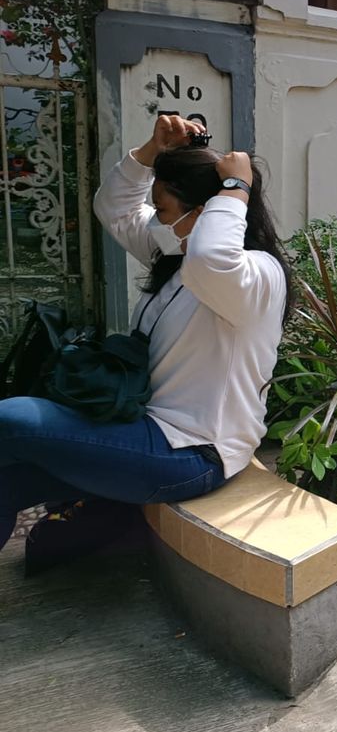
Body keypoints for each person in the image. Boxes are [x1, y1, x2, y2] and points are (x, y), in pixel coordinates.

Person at [0, 114, 292, 550]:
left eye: (164, 211)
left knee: (11, 417)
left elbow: (214, 257)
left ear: (202, 214)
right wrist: (151, 151)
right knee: (10, 478)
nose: (155, 220)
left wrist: (236, 188)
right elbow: (114, 208)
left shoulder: (256, 275)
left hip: (193, 454)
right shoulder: (177, 257)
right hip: (143, 430)